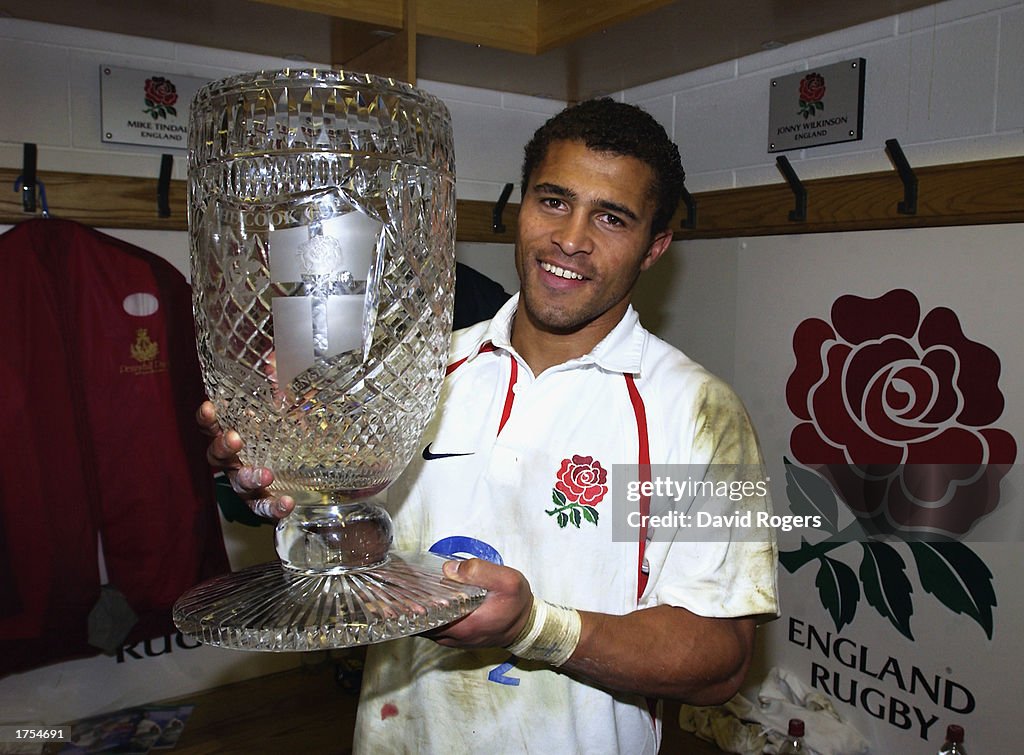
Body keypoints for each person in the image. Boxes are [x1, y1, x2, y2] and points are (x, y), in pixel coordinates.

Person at [200, 98, 778, 754]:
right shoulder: (418, 370)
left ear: (655, 247)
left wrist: (535, 625)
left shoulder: (694, 411)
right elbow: (367, 551)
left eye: (611, 217)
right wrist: (293, 486)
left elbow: (722, 659)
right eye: (554, 201)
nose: (570, 238)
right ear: (521, 203)